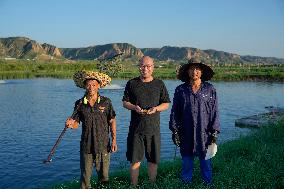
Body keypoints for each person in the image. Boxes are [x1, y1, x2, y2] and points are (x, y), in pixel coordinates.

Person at [169, 58, 220, 185]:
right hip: (186, 132)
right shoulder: (180, 90)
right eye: (191, 69)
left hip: (205, 133)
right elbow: (175, 111)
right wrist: (174, 131)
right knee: (186, 163)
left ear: (201, 72)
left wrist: (214, 132)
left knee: (206, 162)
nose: (194, 72)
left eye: (197, 69)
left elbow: (214, 111)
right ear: (187, 72)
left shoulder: (210, 89)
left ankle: (207, 184)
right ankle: (186, 184)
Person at [122, 56, 171, 186]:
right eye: (143, 65)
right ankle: (134, 186)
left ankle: (152, 184)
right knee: (135, 160)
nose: (145, 68)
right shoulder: (131, 83)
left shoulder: (159, 84)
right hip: (136, 130)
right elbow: (125, 103)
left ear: (153, 67)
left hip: (153, 129)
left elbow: (166, 104)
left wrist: (156, 109)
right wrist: (134, 107)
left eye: (148, 66)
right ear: (139, 67)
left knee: (153, 160)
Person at [65, 70, 118, 189]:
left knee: (104, 178)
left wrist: (114, 140)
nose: (91, 87)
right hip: (86, 146)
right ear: (84, 86)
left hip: (103, 145)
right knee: (85, 179)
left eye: (94, 84)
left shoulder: (106, 102)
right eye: (88, 84)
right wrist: (70, 124)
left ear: (99, 86)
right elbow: (76, 124)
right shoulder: (79, 104)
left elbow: (112, 121)